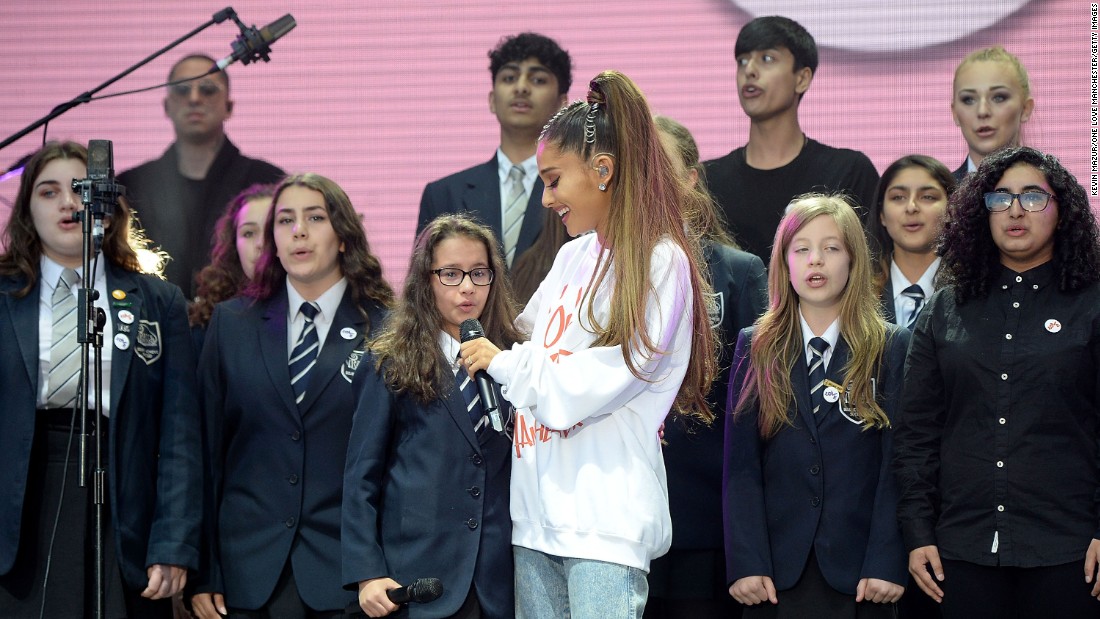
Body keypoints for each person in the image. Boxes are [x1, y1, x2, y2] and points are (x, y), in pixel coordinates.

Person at [460, 70, 718, 619]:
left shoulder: (659, 260)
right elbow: (527, 345)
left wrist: (505, 364)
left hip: (604, 526)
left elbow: (604, 376)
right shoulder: (572, 256)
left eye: (554, 180)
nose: (547, 197)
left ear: (603, 171)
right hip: (535, 517)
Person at [894, 146, 1100, 618]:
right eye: (999, 198)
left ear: (1062, 210)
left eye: (1032, 197)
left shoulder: (1090, 305)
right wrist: (918, 531)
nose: (1014, 210)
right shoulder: (946, 308)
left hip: (1069, 549)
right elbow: (916, 433)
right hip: (960, 551)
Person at [0, 141, 202, 618]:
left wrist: (173, 541)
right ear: (28, 212)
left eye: (80, 189)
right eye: (49, 192)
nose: (68, 203)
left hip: (121, 494)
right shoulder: (5, 296)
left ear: (107, 207)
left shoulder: (158, 300)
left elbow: (180, 437)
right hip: (21, 499)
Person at [192, 173, 393, 618]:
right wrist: (204, 568)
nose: (298, 231)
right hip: (245, 575)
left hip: (349, 576)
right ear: (273, 242)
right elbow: (206, 454)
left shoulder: (387, 328)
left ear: (343, 235)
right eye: (285, 221)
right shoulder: (231, 325)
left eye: (315, 217)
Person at [724, 194, 909, 618]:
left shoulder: (890, 345)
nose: (816, 261)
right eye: (801, 249)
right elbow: (741, 467)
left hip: (862, 575)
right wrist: (746, 563)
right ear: (784, 262)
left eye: (831, 248)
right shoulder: (757, 346)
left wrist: (886, 559)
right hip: (774, 574)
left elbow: (895, 465)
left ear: (853, 260)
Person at [343, 214, 522, 618]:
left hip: (497, 580)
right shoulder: (391, 360)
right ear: (426, 279)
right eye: (451, 274)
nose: (467, 288)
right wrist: (366, 572)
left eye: (479, 273)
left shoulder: (515, 358)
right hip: (419, 579)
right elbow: (360, 476)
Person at [646, 115, 767, 619]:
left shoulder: (740, 272)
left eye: (663, 166)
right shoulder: (599, 268)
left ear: (693, 177)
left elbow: (756, 400)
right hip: (625, 513)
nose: (649, 178)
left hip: (708, 512)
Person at [703, 15, 879, 262]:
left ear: (802, 78)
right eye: (742, 61)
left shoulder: (848, 172)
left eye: (767, 59)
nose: (749, 71)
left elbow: (869, 269)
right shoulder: (708, 180)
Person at [119, 53, 285, 298]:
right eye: (182, 90)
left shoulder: (268, 182)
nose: (194, 98)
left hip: (246, 319)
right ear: (166, 106)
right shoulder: (130, 186)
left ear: (229, 106)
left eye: (208, 89)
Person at [417, 32, 572, 268]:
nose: (521, 88)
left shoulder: (578, 189)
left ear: (563, 104)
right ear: (491, 99)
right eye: (509, 78)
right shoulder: (444, 195)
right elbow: (423, 289)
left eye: (538, 80)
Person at [867, 155, 956, 327]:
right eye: (898, 197)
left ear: (950, 210)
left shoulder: (972, 287)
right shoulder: (857, 292)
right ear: (882, 215)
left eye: (928, 197)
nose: (911, 207)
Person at [188, 183, 276, 330]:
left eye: (270, 230)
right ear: (234, 247)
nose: (261, 243)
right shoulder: (211, 321)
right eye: (249, 233)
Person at [950, 47, 1034, 181]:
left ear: (1025, 109)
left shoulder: (1055, 195)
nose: (982, 111)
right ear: (954, 113)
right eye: (969, 99)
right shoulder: (942, 198)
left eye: (999, 97)